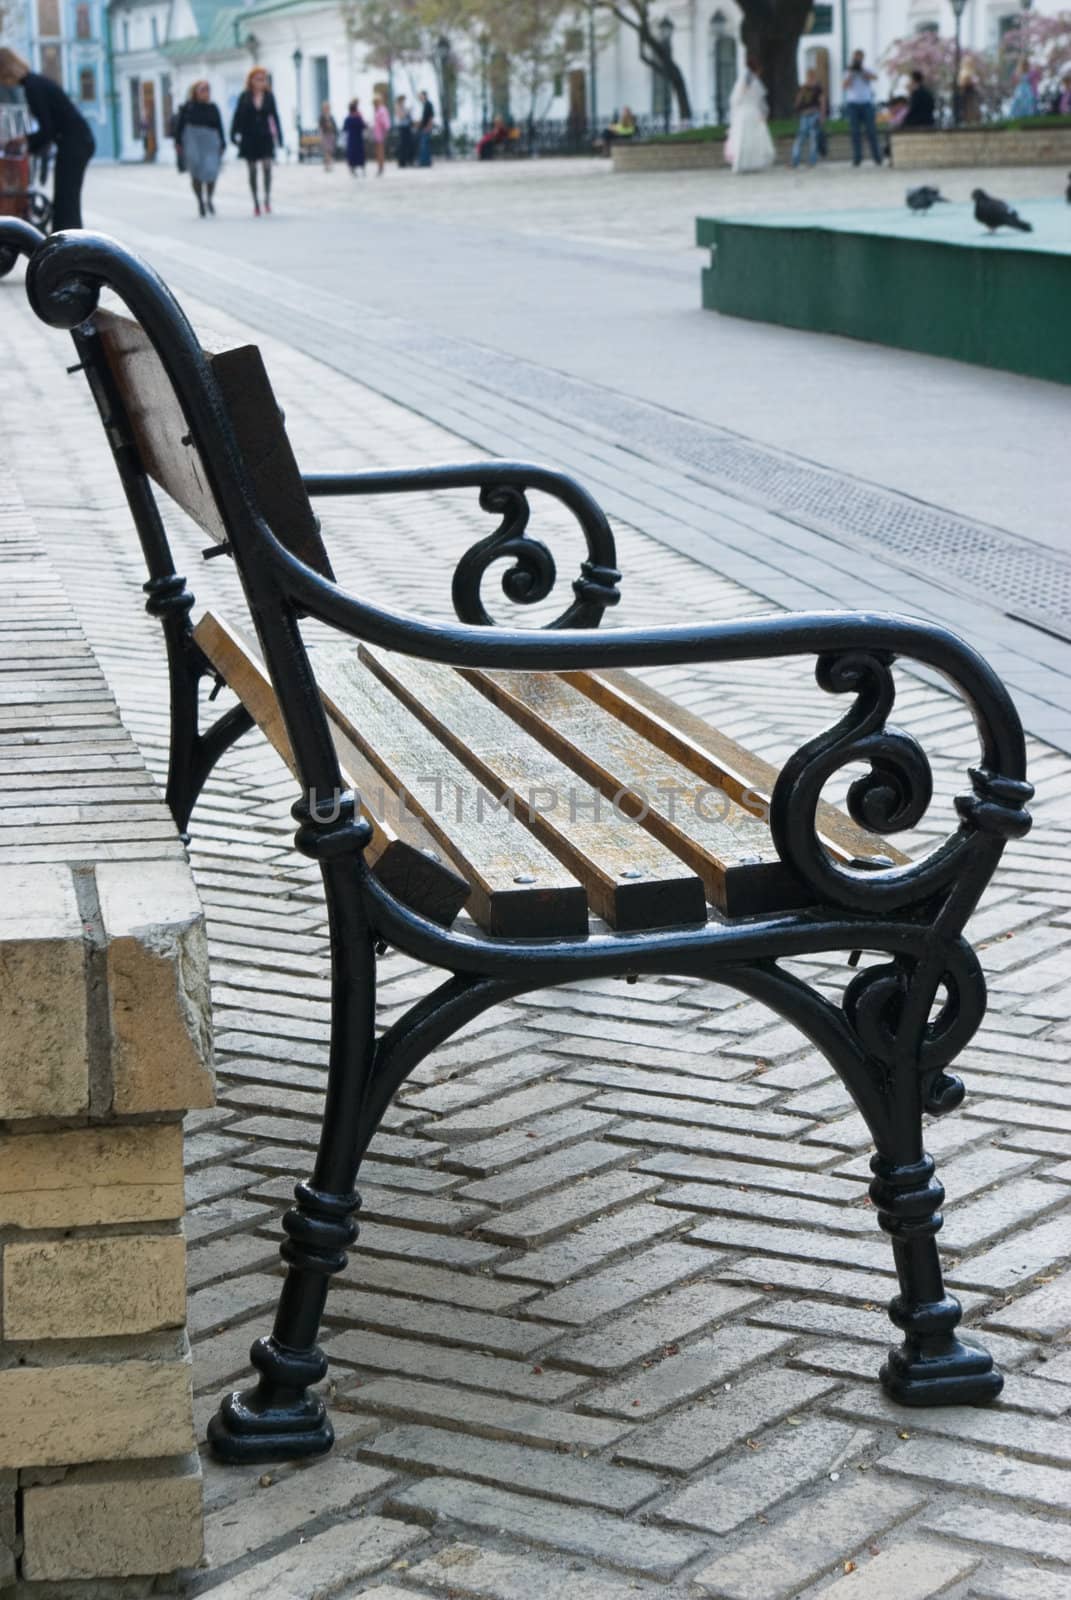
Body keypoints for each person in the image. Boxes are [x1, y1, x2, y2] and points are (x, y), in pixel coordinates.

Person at [0, 45, 94, 229]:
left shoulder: (32, 87)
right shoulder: (34, 82)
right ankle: (67, 241)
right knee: (66, 198)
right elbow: (48, 127)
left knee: (66, 199)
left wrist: (24, 144)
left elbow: (46, 130)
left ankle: (67, 245)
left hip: (75, 142)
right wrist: (24, 141)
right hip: (77, 140)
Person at [230, 65, 281, 216]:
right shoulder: (244, 96)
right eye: (258, 79)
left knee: (267, 167)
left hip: (265, 136)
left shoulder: (269, 96)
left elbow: (275, 117)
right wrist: (233, 134)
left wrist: (279, 136)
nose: (261, 82)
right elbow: (237, 116)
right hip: (249, 137)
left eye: (263, 79)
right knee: (252, 170)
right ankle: (255, 202)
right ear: (251, 80)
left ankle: (267, 199)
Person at [174, 80, 225, 218]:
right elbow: (179, 128)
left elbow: (219, 127)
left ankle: (209, 198)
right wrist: (178, 144)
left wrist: (222, 143)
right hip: (192, 143)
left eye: (207, 89)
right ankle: (200, 201)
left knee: (211, 172)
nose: (205, 92)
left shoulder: (213, 108)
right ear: (195, 91)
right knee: (195, 173)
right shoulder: (187, 108)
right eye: (202, 89)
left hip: (210, 143)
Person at [725, 60, 775, 175]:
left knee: (742, 139)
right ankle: (755, 162)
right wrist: (764, 113)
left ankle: (741, 163)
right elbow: (761, 102)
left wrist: (735, 113)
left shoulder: (742, 83)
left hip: (743, 113)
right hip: (753, 112)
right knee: (753, 138)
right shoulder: (756, 83)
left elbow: (735, 100)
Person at [843, 49, 882, 166]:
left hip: (866, 103)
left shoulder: (866, 69)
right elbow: (845, 86)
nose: (857, 60)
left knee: (871, 131)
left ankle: (877, 157)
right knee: (855, 132)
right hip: (853, 104)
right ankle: (857, 158)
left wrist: (862, 71)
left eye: (859, 58)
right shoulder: (848, 71)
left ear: (862, 58)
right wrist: (852, 74)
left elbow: (875, 78)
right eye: (856, 58)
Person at [791, 69, 824, 168]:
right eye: (808, 77)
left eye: (811, 76)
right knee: (800, 138)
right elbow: (798, 100)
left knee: (813, 138)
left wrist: (822, 115)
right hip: (804, 115)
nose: (810, 79)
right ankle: (795, 160)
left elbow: (822, 101)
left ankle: (812, 161)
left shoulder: (818, 88)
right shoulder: (803, 87)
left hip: (814, 114)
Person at [343, 99, 366, 175]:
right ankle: (362, 169)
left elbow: (344, 128)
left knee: (352, 154)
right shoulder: (358, 118)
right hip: (358, 139)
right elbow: (363, 126)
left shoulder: (348, 118)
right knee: (359, 154)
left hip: (351, 139)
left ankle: (353, 169)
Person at [372, 94, 390, 175]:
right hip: (377, 132)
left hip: (381, 133)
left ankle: (381, 167)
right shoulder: (378, 109)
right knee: (379, 151)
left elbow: (385, 122)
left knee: (380, 151)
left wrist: (386, 130)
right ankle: (380, 167)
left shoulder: (382, 110)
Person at [395, 95, 414, 168]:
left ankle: (408, 160)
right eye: (403, 100)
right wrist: (407, 112)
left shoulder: (404, 107)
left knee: (409, 144)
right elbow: (400, 116)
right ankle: (402, 162)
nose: (404, 102)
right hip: (402, 127)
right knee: (402, 145)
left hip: (407, 126)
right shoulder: (398, 107)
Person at [318, 101, 338, 171]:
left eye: (327, 107)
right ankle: (327, 165)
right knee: (326, 150)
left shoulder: (331, 116)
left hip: (331, 135)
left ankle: (329, 163)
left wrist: (332, 129)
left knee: (330, 150)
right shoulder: (322, 116)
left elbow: (335, 126)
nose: (326, 109)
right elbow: (320, 126)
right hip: (325, 135)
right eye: (325, 107)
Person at [417, 89, 434, 167]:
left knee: (424, 145)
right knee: (424, 145)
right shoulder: (424, 105)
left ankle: (425, 162)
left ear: (424, 96)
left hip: (426, 128)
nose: (420, 97)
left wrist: (428, 127)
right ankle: (425, 162)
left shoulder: (428, 104)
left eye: (421, 96)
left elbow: (430, 117)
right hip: (423, 127)